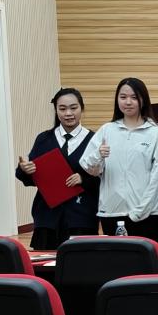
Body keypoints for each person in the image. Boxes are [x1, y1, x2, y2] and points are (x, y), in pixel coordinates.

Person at [80, 77, 158, 243]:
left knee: (148, 259)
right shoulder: (107, 130)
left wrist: (141, 211)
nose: (128, 102)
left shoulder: (155, 132)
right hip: (112, 212)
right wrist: (98, 155)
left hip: (148, 214)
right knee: (116, 258)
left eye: (134, 97)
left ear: (143, 100)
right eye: (123, 97)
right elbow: (89, 168)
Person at [15, 88, 100, 247]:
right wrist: (24, 170)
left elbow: (106, 177)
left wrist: (84, 179)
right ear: (56, 110)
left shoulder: (94, 140)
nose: (68, 113)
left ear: (82, 108)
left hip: (80, 217)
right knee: (45, 261)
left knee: (79, 260)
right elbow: (31, 176)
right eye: (62, 108)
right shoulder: (44, 139)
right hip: (47, 218)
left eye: (73, 108)